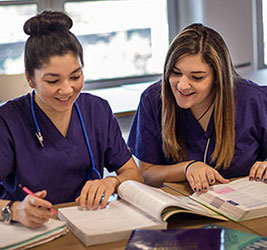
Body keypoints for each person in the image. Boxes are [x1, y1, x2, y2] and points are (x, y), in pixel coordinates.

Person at [0, 10, 143, 228]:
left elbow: (133, 174)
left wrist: (112, 182)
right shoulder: (8, 121)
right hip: (32, 230)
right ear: (30, 78)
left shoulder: (97, 110)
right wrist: (15, 210)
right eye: (52, 81)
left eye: (75, 76)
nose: (67, 89)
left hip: (89, 223)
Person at [128, 23, 267, 194]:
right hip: (185, 207)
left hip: (247, 206)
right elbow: (147, 173)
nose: (183, 85)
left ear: (218, 77)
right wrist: (187, 168)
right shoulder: (153, 99)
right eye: (175, 73)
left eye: (197, 77)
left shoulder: (253, 100)